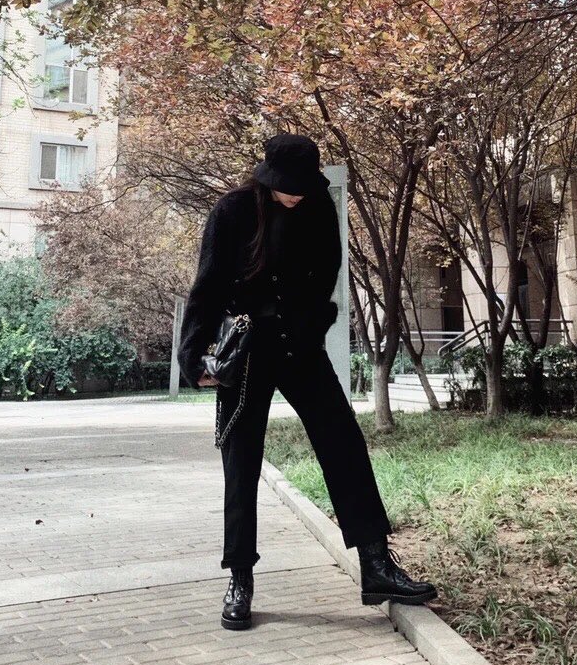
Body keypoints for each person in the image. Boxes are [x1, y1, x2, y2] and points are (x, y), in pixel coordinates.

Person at [177, 132, 438, 629]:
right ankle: (240, 579)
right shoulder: (232, 211)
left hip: (300, 349)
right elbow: (206, 286)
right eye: (287, 185)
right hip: (246, 355)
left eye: (302, 185)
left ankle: (377, 565)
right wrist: (194, 358)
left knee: (345, 444)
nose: (296, 193)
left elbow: (327, 276)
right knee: (241, 462)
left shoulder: (318, 208)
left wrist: (313, 324)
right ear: (266, 178)